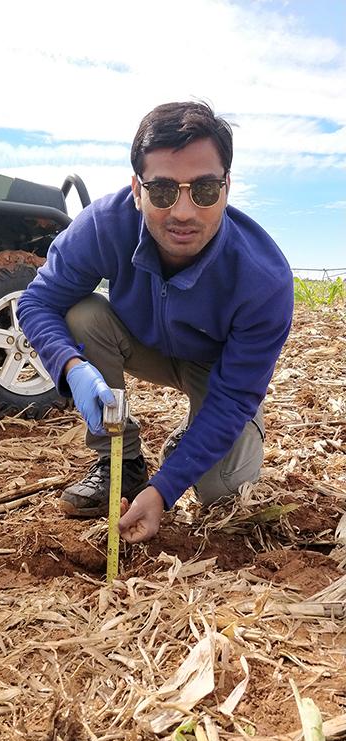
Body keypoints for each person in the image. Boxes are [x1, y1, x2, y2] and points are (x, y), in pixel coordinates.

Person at [18, 100, 294, 544]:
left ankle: (191, 437)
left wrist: (164, 492)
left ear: (227, 185)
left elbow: (235, 393)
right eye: (163, 190)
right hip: (143, 344)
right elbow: (37, 302)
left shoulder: (264, 279)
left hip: (214, 368)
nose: (183, 212)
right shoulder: (105, 226)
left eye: (204, 189)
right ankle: (120, 462)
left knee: (221, 489)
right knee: (82, 315)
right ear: (136, 189)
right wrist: (72, 367)